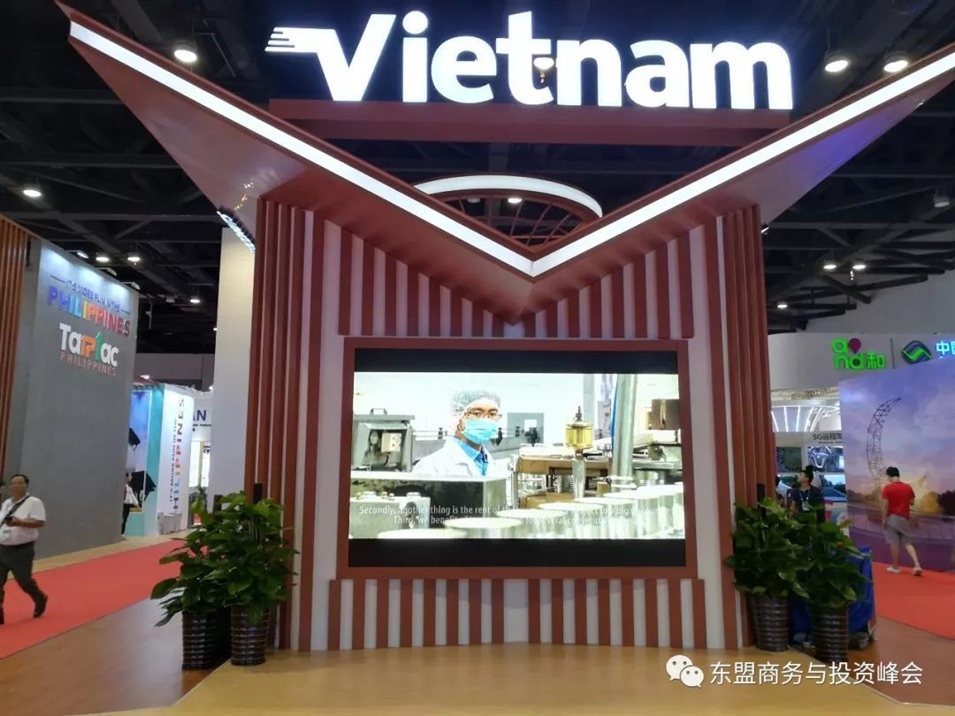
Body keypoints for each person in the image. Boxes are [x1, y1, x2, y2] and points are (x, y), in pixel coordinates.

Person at [412, 389, 507, 477]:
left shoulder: (496, 467)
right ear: (458, 417)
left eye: (492, 414)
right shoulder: (431, 468)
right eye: (477, 413)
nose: (486, 420)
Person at [0, 475, 48, 625]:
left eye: (20, 483)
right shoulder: (7, 503)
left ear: (26, 485)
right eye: (13, 483)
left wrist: (19, 522)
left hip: (21, 550)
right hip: (2, 548)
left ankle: (40, 598)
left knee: (24, 581)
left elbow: (40, 522)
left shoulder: (34, 502)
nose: (16, 486)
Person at [881, 466, 922, 576]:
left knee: (894, 543)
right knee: (908, 543)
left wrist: (884, 519)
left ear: (889, 476)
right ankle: (917, 564)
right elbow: (912, 502)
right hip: (904, 518)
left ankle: (895, 567)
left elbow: (885, 505)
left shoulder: (887, 488)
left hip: (892, 518)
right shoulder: (907, 487)